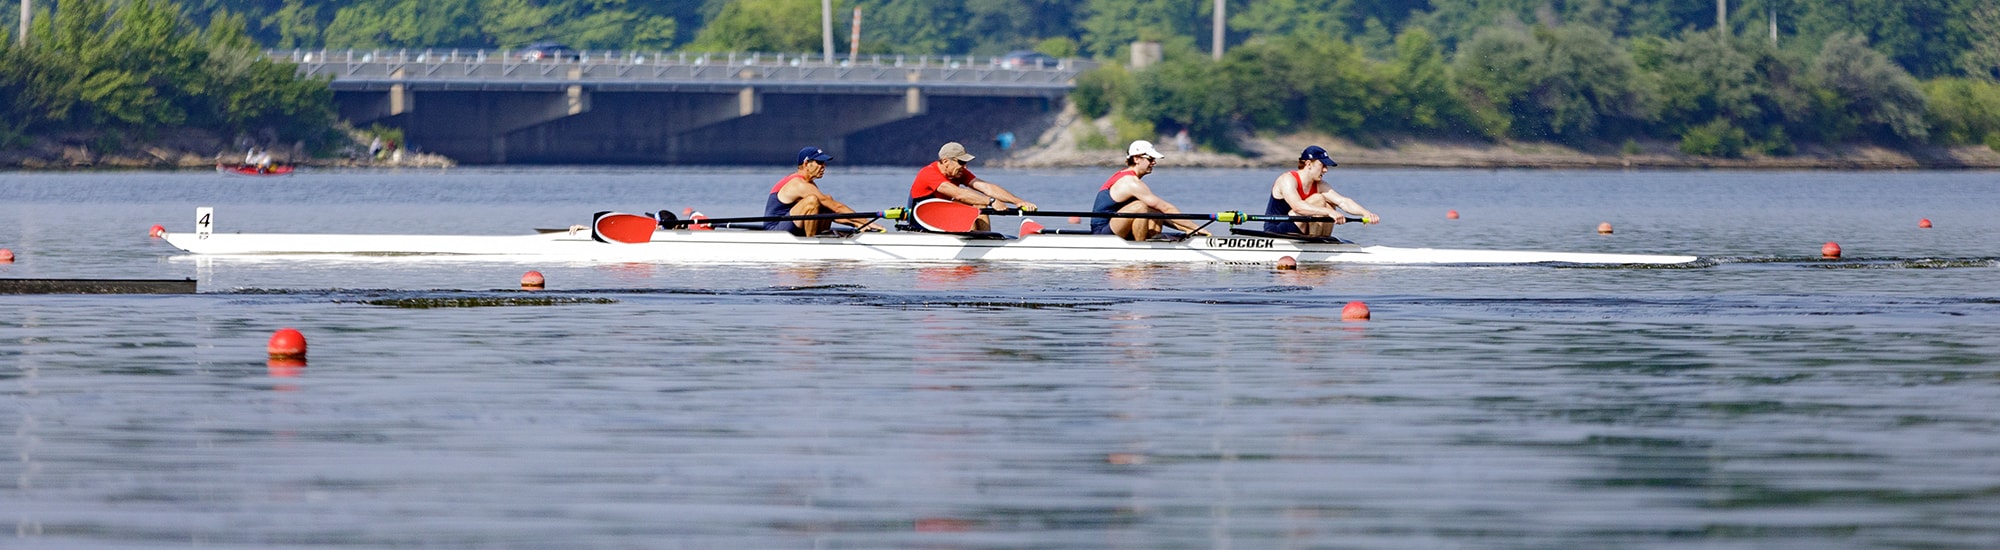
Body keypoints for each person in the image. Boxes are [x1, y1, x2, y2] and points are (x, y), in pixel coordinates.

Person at [1092, 140, 1209, 240]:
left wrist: (1189, 229)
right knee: (1141, 207)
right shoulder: (1130, 182)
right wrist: (1196, 226)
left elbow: (1162, 213)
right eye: (1150, 159)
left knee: (1153, 210)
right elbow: (1166, 208)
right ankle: (1141, 248)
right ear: (1137, 159)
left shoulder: (1130, 178)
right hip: (1102, 232)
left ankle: (1149, 244)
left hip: (1116, 226)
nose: (1154, 162)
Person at [909, 142, 1038, 231]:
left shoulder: (959, 172)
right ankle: (975, 241)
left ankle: (984, 241)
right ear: (945, 161)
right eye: (961, 162)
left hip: (942, 216)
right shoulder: (928, 173)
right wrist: (992, 201)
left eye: (965, 162)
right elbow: (958, 193)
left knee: (979, 204)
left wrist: (1018, 201)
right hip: (922, 220)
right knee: (972, 201)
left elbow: (986, 187)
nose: (965, 167)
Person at [764, 147, 886, 236]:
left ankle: (819, 238)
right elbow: (837, 208)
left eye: (824, 163)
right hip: (775, 231)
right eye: (819, 163)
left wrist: (857, 224)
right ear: (806, 164)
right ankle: (812, 242)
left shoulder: (809, 184)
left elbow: (830, 212)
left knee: (826, 200)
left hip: (791, 225)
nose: (823, 167)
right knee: (814, 201)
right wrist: (866, 221)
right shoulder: (798, 184)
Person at [1264, 145, 1379, 236]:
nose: (1325, 170)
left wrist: (1365, 213)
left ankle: (1321, 242)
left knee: (1330, 204)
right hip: (1277, 230)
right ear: (1308, 164)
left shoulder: (1319, 185)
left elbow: (1343, 202)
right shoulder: (1287, 179)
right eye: (1322, 165)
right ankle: (1315, 243)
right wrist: (1329, 213)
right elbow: (1297, 207)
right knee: (1319, 199)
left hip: (1301, 229)